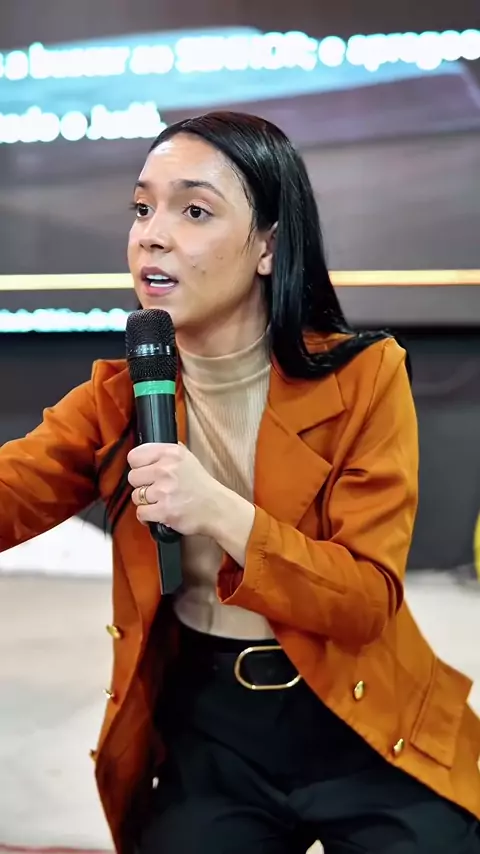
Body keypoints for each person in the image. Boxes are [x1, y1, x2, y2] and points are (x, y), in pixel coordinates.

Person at [0, 111, 479, 854]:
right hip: (211, 731)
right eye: (141, 208)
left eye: (193, 211)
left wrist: (219, 511)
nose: (151, 236)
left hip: (360, 714)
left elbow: (363, 603)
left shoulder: (364, 376)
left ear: (268, 246)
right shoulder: (119, 398)